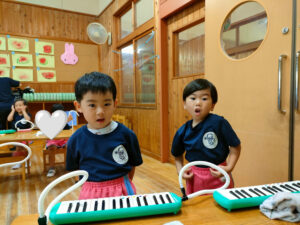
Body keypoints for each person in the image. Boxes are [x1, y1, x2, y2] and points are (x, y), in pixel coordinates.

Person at [66, 72, 143, 199]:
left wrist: (123, 184)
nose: (100, 112)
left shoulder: (127, 135)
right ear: (78, 106)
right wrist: (89, 188)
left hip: (123, 189)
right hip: (90, 192)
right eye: (92, 105)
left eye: (106, 104)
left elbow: (132, 165)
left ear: (115, 103)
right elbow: (75, 170)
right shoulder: (76, 139)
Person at [171, 79, 241, 195]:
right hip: (194, 177)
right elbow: (177, 156)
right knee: (197, 208)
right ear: (184, 104)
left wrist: (229, 167)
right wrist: (180, 170)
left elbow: (235, 147)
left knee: (222, 207)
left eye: (204, 98)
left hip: (219, 173)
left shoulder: (219, 123)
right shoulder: (182, 131)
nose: (198, 103)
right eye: (193, 98)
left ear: (213, 105)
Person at [45, 103, 73, 177]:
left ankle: (69, 166)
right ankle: (52, 168)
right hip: (53, 140)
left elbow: (68, 131)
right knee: (51, 147)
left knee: (69, 146)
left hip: (63, 140)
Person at [7, 98, 32, 169]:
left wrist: (24, 111)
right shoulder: (14, 114)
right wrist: (12, 111)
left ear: (25, 106)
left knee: (25, 148)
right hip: (17, 135)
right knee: (18, 148)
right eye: (16, 105)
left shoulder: (27, 114)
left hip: (26, 134)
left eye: (20, 105)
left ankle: (27, 161)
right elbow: (9, 119)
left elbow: (28, 120)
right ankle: (19, 162)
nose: (18, 107)